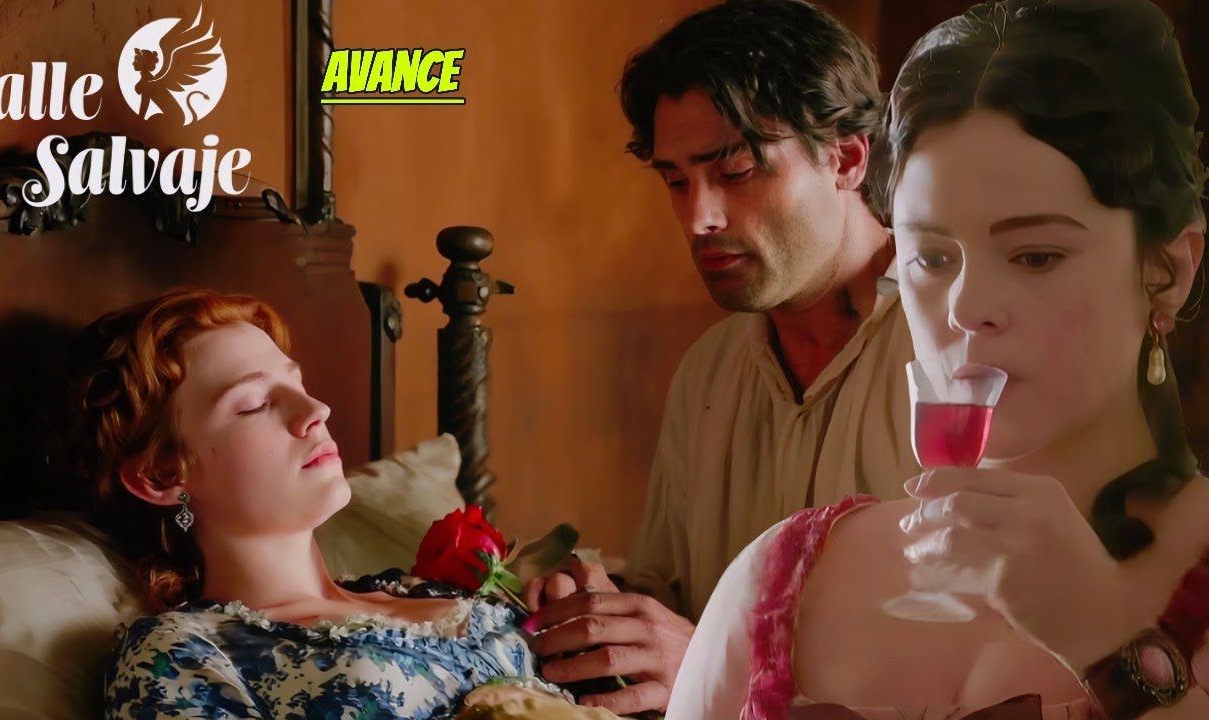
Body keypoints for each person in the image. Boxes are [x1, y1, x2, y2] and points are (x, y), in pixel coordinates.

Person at [669, 0, 1209, 717]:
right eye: (931, 258)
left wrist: (1106, 639)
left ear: (1167, 272)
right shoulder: (784, 579)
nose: (965, 307)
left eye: (1036, 256)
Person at [521, 1, 919, 714]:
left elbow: (1003, 677)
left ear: (847, 158)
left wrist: (720, 670)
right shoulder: (709, 371)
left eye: (735, 171)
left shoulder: (959, 353)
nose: (698, 218)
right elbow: (672, 596)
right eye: (676, 181)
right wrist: (606, 607)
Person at [70, 289, 601, 719]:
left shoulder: (427, 589)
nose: (316, 410)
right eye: (254, 404)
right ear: (161, 475)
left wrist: (600, 638)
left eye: (297, 383)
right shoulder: (183, 655)